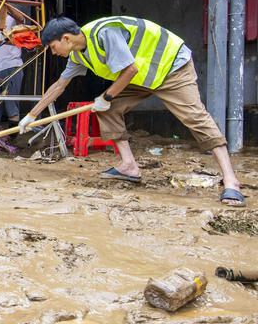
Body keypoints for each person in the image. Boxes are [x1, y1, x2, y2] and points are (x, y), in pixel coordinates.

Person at [21, 16, 244, 207]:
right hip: (142, 76)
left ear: (66, 39)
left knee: (195, 117)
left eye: (52, 47)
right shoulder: (78, 55)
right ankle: (129, 166)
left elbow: (130, 69)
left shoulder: (104, 34)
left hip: (171, 66)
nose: (53, 53)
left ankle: (231, 181)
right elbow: (60, 85)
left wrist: (106, 97)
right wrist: (31, 116)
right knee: (109, 110)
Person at [0, 0, 28, 128]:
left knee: (11, 105)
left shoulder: (11, 19)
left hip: (11, 67)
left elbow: (22, 19)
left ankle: (14, 141)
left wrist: (6, 4)